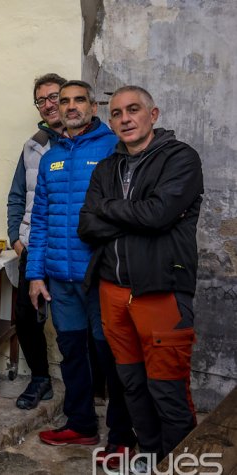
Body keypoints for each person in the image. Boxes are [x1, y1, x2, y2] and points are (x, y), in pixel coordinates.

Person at [78, 85, 203, 464]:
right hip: (112, 292)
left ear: (154, 114)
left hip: (160, 292)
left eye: (133, 110)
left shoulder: (181, 159)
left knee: (167, 389)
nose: (125, 118)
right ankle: (149, 456)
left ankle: (179, 465)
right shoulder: (106, 166)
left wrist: (112, 210)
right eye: (116, 113)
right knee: (131, 385)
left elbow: (158, 215)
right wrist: (141, 215)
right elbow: (87, 225)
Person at [25, 80, 136, 459]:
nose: (70, 107)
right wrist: (36, 275)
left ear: (93, 106)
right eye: (64, 100)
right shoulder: (49, 157)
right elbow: (39, 220)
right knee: (71, 353)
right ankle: (81, 425)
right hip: (59, 278)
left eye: (78, 100)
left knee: (112, 357)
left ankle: (122, 435)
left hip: (101, 276)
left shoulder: (112, 148)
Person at [6, 73, 66, 410]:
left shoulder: (85, 142)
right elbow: (16, 196)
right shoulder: (32, 145)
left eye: (54, 96)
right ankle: (40, 379)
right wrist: (17, 238)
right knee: (27, 318)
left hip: (69, 247)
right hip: (33, 245)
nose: (48, 104)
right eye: (41, 100)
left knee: (74, 321)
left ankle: (82, 390)